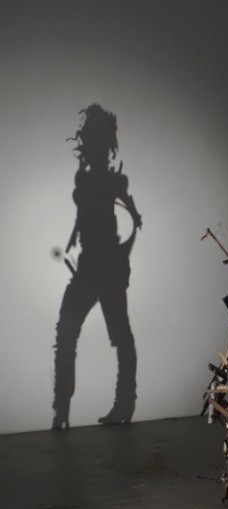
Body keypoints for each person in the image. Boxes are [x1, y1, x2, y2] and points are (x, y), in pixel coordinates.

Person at [52, 104, 142, 430]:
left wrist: (127, 229)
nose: (89, 148)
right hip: (92, 265)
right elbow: (88, 215)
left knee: (116, 335)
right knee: (71, 334)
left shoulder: (112, 180)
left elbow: (131, 217)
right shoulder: (88, 177)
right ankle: (63, 410)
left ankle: (121, 405)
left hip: (106, 266)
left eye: (95, 142)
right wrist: (74, 238)